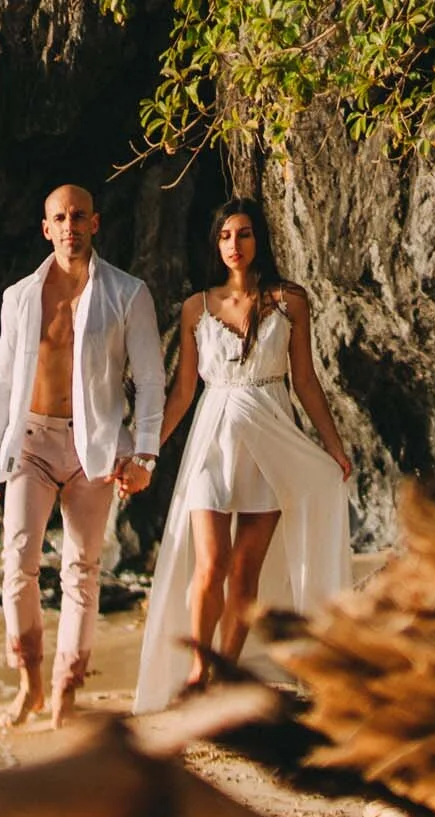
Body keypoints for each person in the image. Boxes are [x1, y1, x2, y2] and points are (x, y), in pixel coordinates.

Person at [132, 196, 354, 713]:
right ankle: (197, 668)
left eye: (245, 233)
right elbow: (184, 392)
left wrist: (333, 446)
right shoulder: (196, 307)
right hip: (213, 437)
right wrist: (147, 454)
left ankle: (225, 673)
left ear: (260, 240)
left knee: (246, 571)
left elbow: (305, 381)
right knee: (210, 565)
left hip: (272, 434)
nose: (236, 244)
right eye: (227, 235)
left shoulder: (289, 300)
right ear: (216, 243)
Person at [0, 183, 165, 728]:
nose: (69, 226)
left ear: (95, 223)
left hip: (96, 446)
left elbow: (151, 381)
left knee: (82, 571)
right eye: (59, 217)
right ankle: (29, 682)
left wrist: (145, 456)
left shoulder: (128, 294)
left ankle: (65, 691)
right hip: (30, 443)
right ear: (46, 228)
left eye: (79, 216)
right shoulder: (19, 296)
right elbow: (0, 379)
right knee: (18, 565)